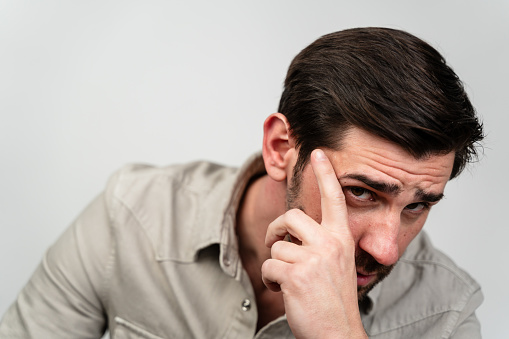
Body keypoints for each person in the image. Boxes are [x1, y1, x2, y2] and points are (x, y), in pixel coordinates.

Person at [0, 27, 484, 338]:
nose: (387, 249)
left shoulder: (445, 312)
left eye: (417, 206)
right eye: (361, 191)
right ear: (280, 148)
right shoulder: (132, 216)